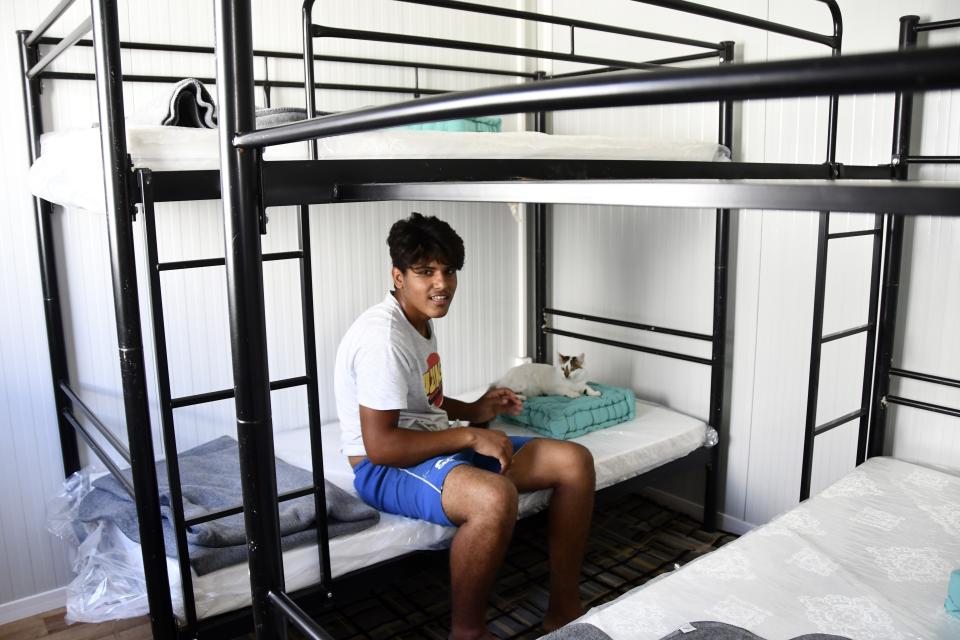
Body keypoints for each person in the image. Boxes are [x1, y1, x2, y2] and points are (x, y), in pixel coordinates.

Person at [334, 212, 595, 640]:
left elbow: (425, 402)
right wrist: (471, 434)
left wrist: (475, 409)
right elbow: (380, 446)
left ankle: (564, 608)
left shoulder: (417, 319)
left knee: (574, 462)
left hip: (431, 447)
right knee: (493, 497)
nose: (442, 283)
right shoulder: (383, 339)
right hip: (384, 467)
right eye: (425, 272)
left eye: (448, 270)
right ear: (397, 276)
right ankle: (467, 633)